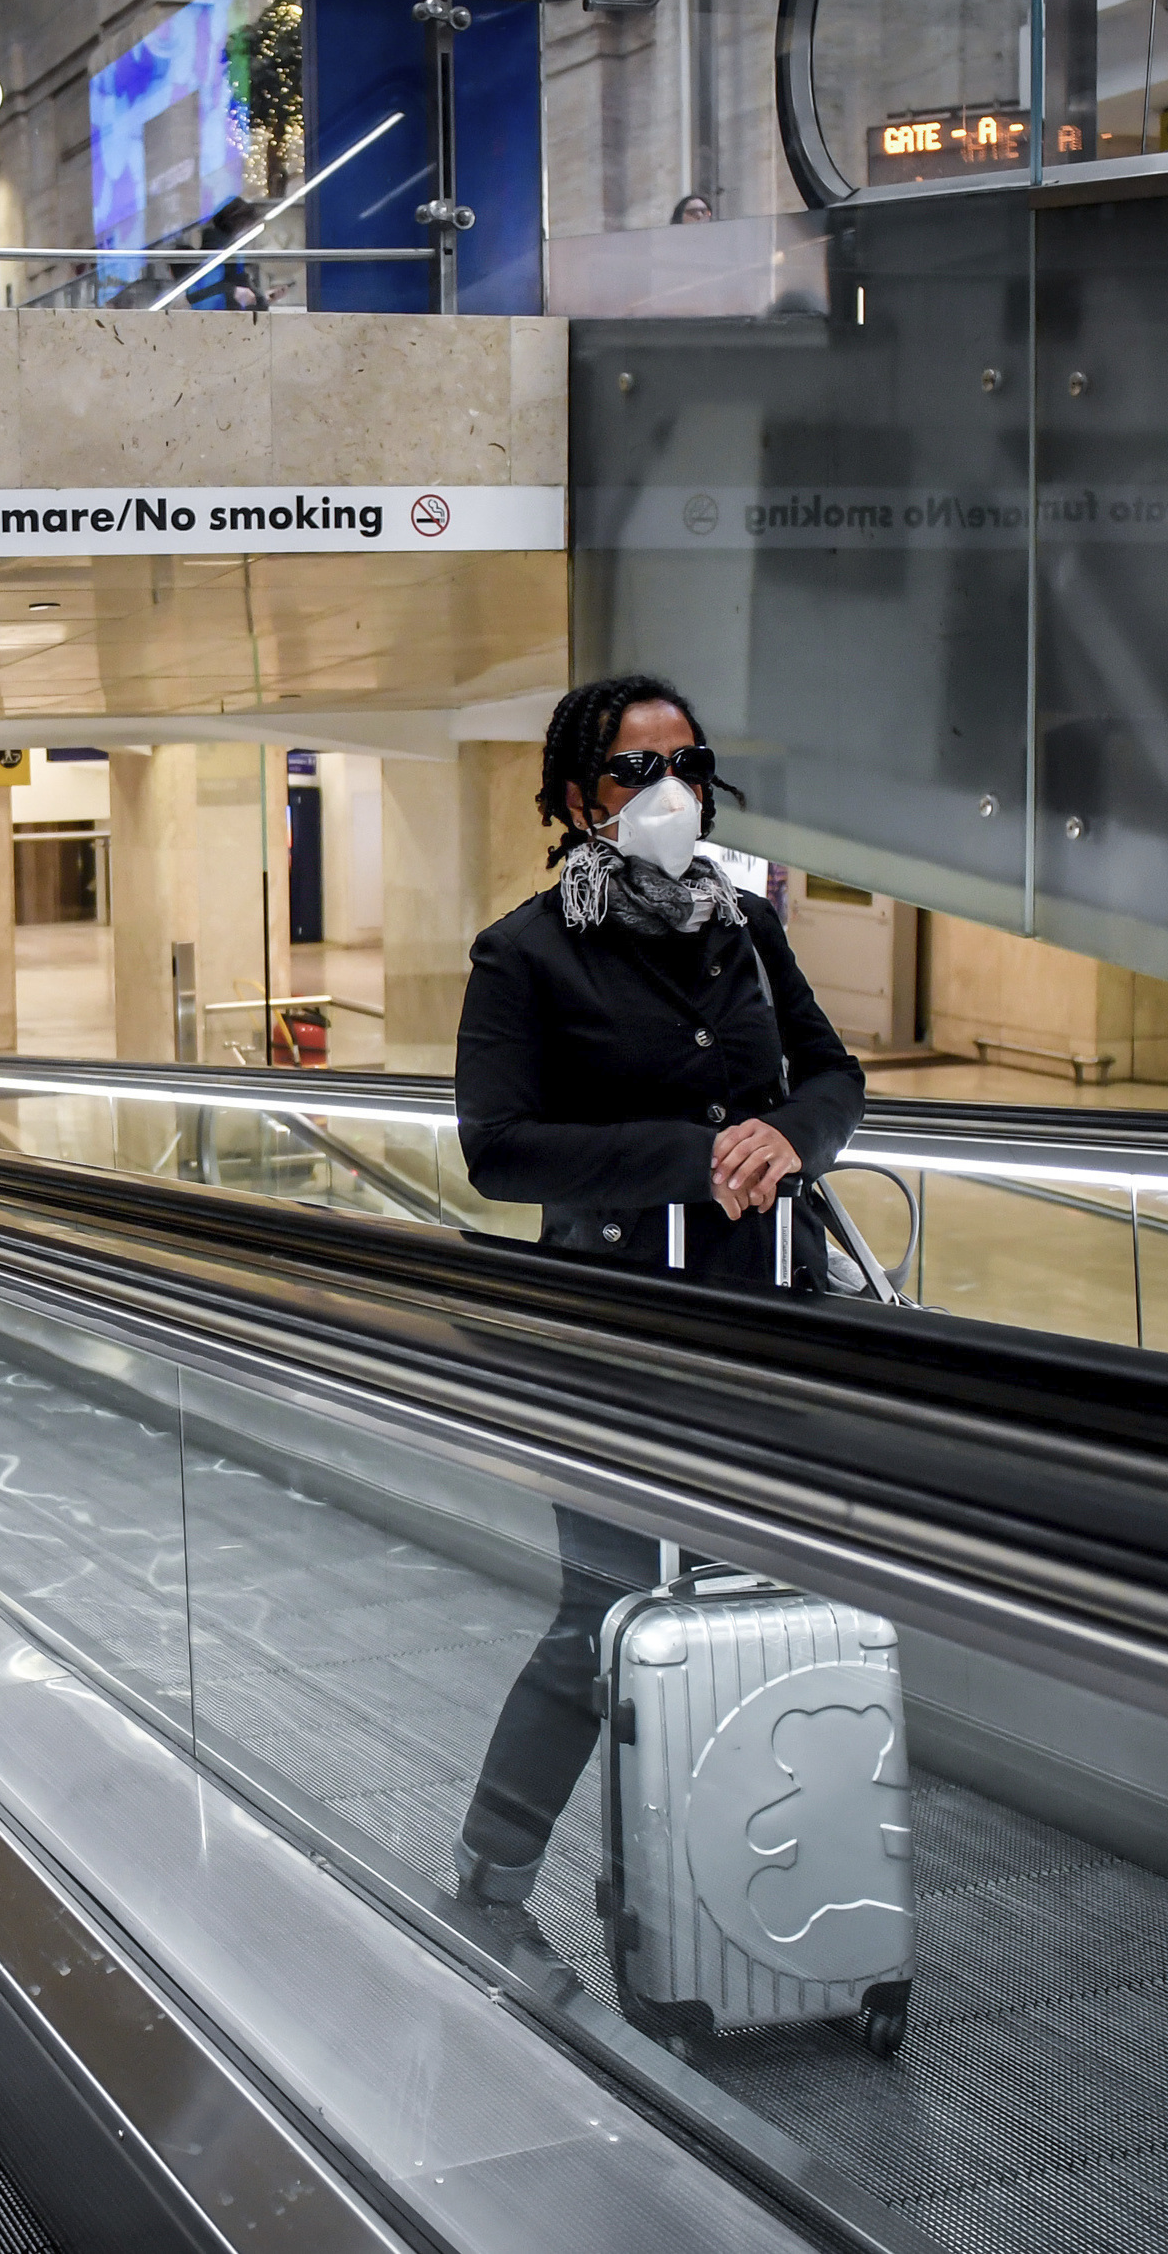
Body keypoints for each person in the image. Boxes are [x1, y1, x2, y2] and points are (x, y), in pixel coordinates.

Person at [447, 673, 866, 1913]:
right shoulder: (524, 952)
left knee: (762, 1601)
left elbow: (833, 1075)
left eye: (687, 763)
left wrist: (791, 1136)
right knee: (608, 1609)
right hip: (613, 1328)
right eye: (636, 769)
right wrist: (695, 1156)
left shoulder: (744, 921)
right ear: (578, 798)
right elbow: (499, 1149)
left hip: (761, 1317)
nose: (668, 789)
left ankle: (725, 1876)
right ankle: (497, 1856)